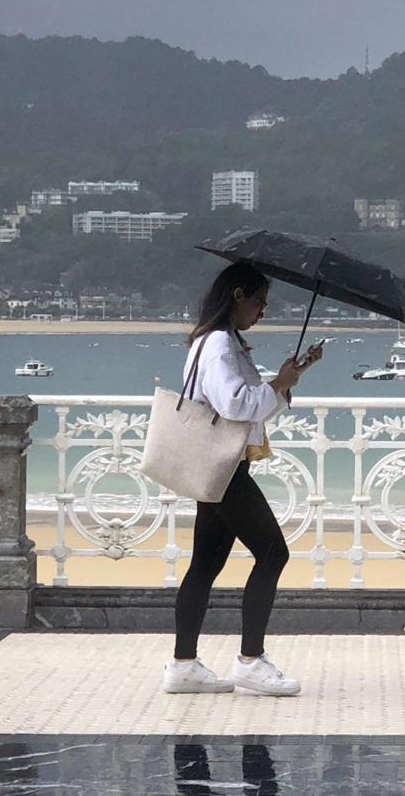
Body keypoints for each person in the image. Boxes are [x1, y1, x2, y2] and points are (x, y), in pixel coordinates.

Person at [162, 262, 322, 697]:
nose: (262, 310)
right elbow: (235, 405)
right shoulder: (217, 344)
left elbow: (251, 405)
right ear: (236, 295)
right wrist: (278, 385)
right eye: (259, 301)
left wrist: (288, 380)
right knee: (273, 553)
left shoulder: (221, 341)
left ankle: (184, 665)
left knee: (206, 563)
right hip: (224, 468)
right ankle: (250, 661)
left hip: (214, 463)